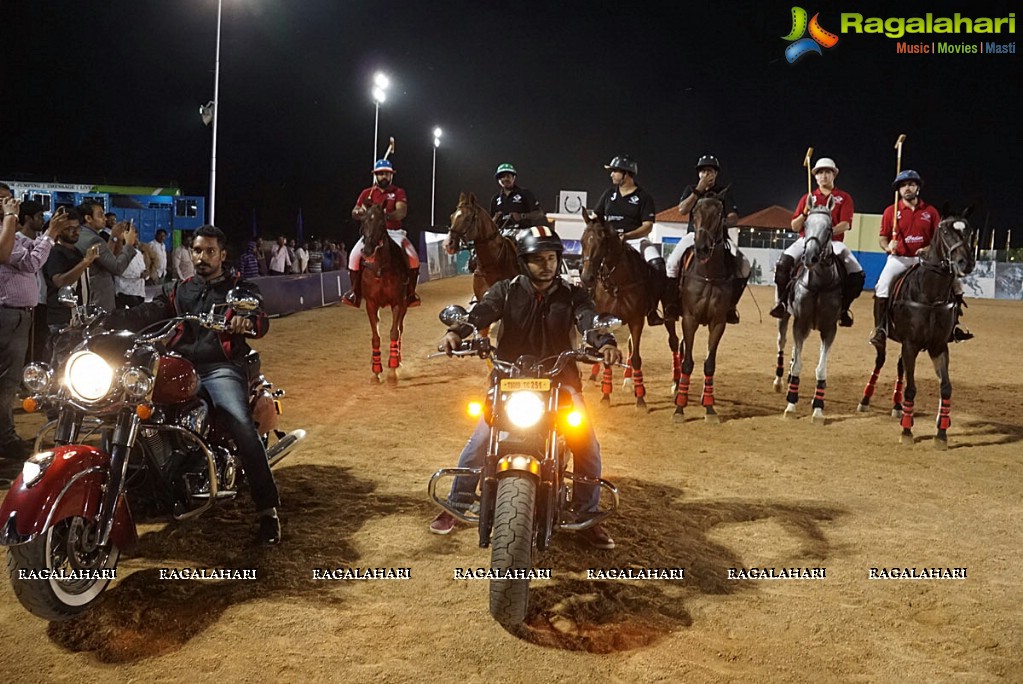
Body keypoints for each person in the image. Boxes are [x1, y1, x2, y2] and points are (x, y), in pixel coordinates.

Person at [429, 226, 623, 549]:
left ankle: (587, 512)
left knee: (586, 442)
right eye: (537, 259)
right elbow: (481, 314)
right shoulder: (505, 291)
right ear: (523, 262)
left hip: (561, 382)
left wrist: (605, 342)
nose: (546, 265)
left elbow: (588, 321)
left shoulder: (573, 294)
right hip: (509, 380)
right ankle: (459, 501)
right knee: (480, 440)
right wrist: (457, 333)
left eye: (551, 258)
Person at [104, 224, 282, 545]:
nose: (202, 257)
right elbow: (150, 311)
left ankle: (268, 511)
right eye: (197, 250)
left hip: (219, 367)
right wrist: (110, 319)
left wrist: (246, 319)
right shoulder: (180, 289)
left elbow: (257, 315)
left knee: (241, 425)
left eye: (209, 251)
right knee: (124, 404)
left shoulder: (236, 288)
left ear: (222, 255)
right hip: (177, 365)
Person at [869, 170, 973, 347]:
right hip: (899, 258)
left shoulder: (930, 211)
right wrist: (888, 246)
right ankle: (880, 329)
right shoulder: (890, 211)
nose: (907, 188)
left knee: (956, 285)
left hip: (924, 260)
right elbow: (882, 238)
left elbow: (938, 238)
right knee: (883, 285)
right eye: (903, 186)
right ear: (899, 190)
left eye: (911, 184)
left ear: (917, 187)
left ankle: (954, 326)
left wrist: (927, 248)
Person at [0, 199, 64, 459]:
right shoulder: (4, 234)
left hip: (17, 316)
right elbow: (31, 263)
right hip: (8, 315)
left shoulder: (12, 235)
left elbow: (30, 249)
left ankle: (6, 435)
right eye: (4, 199)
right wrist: (50, 234)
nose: (9, 202)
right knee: (7, 382)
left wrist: (46, 235)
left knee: (8, 381)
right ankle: (6, 439)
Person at [770, 157, 865, 326]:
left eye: (827, 172)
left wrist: (825, 233)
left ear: (834, 175)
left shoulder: (843, 197)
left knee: (857, 274)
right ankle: (782, 303)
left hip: (834, 243)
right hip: (806, 240)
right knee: (783, 264)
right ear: (815, 177)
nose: (824, 176)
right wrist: (804, 214)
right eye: (820, 173)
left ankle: (843, 309)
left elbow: (845, 224)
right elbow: (794, 226)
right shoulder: (808, 197)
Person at [667, 155, 751, 323]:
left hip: (718, 237)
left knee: (744, 265)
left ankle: (731, 306)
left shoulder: (723, 192)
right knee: (671, 263)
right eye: (703, 171)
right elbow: (682, 210)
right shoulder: (691, 189)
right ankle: (672, 304)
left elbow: (733, 216)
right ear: (699, 174)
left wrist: (723, 224)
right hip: (694, 235)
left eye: (710, 171)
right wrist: (699, 189)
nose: (707, 174)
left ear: (716, 174)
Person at [595, 155, 667, 326]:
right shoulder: (608, 194)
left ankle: (652, 308)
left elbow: (647, 226)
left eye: (615, 171)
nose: (611, 175)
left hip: (636, 239)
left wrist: (627, 236)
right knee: (590, 263)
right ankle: (591, 304)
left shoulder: (643, 197)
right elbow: (596, 217)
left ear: (626, 174)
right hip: (610, 243)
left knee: (658, 264)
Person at [343, 160, 421, 307]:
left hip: (394, 232)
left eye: (386, 174)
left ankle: (410, 293)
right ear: (375, 176)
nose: (383, 176)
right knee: (353, 257)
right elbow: (355, 211)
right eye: (380, 174)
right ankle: (354, 293)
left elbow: (401, 212)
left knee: (413, 258)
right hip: (372, 233)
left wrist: (384, 215)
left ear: (391, 175)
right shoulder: (367, 193)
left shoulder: (398, 192)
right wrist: (361, 213)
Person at [74, 201, 139, 313]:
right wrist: (129, 244)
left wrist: (115, 237)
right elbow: (116, 267)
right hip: (98, 298)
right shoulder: (93, 239)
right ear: (88, 218)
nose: (105, 218)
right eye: (100, 215)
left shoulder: (83, 235)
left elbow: (108, 257)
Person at [43, 207, 100, 330]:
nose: (75, 232)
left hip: (78, 316)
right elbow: (60, 282)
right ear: (58, 230)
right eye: (69, 229)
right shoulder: (55, 252)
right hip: (63, 317)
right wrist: (85, 262)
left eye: (77, 228)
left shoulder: (76, 251)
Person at [490, 163, 545, 237]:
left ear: (514, 177)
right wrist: (495, 218)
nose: (505, 179)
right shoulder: (495, 198)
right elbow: (490, 223)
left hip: (522, 232)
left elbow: (540, 214)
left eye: (508, 176)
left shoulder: (525, 193)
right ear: (499, 180)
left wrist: (522, 216)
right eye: (502, 177)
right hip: (502, 233)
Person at [114, 244, 147, 309]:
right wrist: (138, 274)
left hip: (139, 292)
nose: (137, 240)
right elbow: (121, 271)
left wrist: (146, 273)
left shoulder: (138, 253)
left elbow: (143, 268)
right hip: (125, 291)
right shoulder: (121, 252)